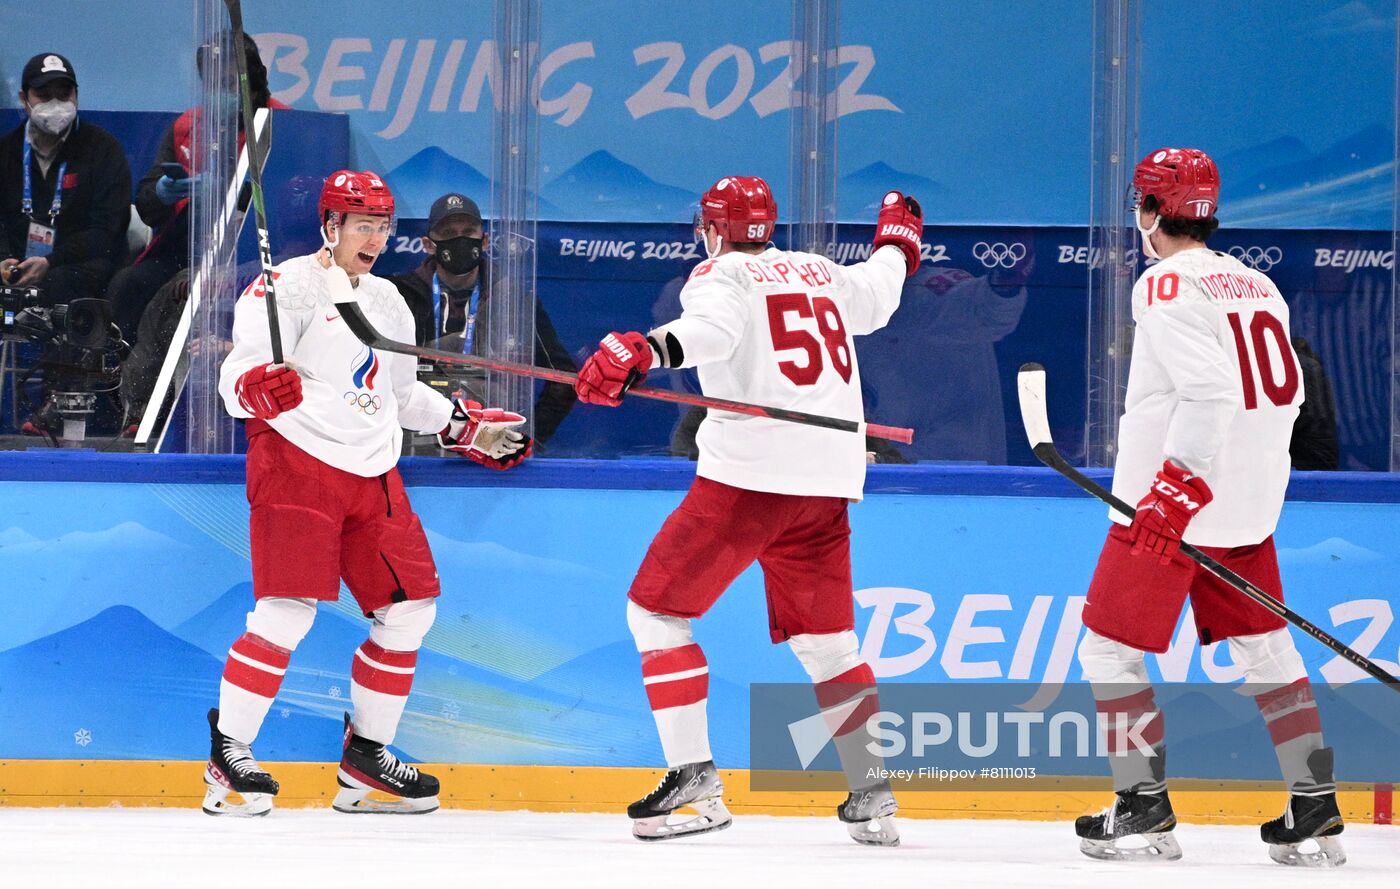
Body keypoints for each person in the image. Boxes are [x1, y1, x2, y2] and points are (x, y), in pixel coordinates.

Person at [574, 177, 922, 845]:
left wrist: (645, 351)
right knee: (827, 643)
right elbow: (879, 293)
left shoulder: (718, 275)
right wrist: (898, 242)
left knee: (655, 610)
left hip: (751, 478)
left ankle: (695, 779)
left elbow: (707, 333)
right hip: (828, 479)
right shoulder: (819, 270)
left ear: (711, 228)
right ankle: (871, 790)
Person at [201, 170, 533, 817]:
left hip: (373, 473)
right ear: (331, 225)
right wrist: (254, 390)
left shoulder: (388, 300)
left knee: (410, 611)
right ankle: (227, 757)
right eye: (364, 225)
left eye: (384, 226)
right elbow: (235, 374)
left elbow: (401, 394)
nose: (376, 238)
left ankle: (364, 761)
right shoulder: (284, 286)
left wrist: (464, 426)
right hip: (296, 463)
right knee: (286, 614)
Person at [1073, 148, 1343, 867]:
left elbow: (1212, 392)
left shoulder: (1163, 284)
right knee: (1267, 648)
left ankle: (1142, 806)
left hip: (1172, 512)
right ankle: (1314, 801)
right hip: (1248, 508)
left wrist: (1175, 489)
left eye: (1141, 203)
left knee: (1107, 647)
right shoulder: (1259, 286)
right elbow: (1284, 396)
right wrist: (1251, 486)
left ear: (1154, 211)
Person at [107, 33, 285, 346]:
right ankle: (114, 382)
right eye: (214, 83)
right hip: (187, 246)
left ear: (253, 81)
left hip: (249, 251)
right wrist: (163, 193)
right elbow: (147, 206)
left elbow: (285, 207)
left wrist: (234, 193)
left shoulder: (281, 124)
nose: (221, 92)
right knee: (128, 284)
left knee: (183, 295)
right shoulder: (187, 126)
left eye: (230, 83)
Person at [0, 53, 132, 436]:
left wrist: (51, 260)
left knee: (60, 289)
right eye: (45, 94)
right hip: (15, 268)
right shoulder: (6, 153)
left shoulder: (103, 150)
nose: (56, 103)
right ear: (25, 99)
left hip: (84, 266)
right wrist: (4, 259)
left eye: (65, 92)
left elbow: (108, 229)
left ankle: (56, 401)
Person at [389, 192, 578, 446]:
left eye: (469, 231)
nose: (460, 239)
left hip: (492, 446)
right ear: (428, 244)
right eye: (448, 233)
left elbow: (564, 378)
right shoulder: (398, 296)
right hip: (414, 445)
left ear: (485, 241)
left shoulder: (515, 301)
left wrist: (528, 438)